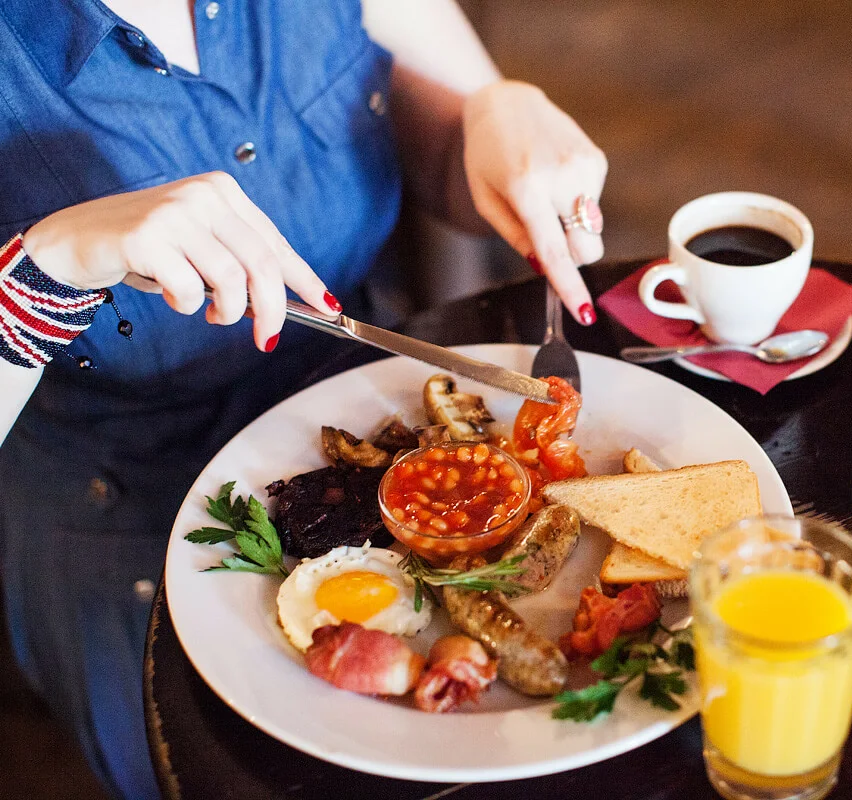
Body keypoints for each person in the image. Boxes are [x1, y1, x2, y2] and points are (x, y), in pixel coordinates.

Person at [0, 1, 608, 797]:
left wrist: (495, 122)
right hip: (130, 536)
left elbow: (442, 150)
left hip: (382, 430)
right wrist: (48, 267)